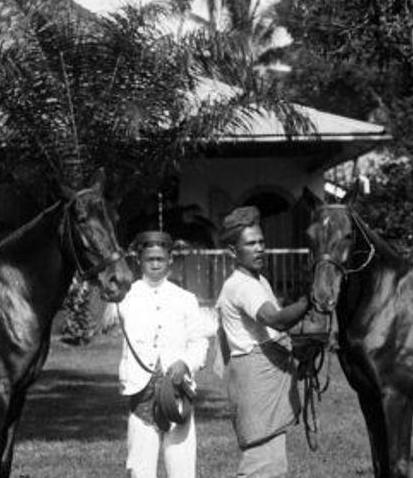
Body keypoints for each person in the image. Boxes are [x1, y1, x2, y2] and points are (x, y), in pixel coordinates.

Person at [215, 205, 312, 478]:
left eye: (261, 242)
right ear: (233, 252)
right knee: (261, 464)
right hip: (255, 384)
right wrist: (310, 300)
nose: (259, 248)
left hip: (264, 380)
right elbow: (277, 320)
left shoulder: (259, 280)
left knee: (273, 465)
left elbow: (275, 331)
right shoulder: (241, 286)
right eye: (251, 243)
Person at [116, 230, 211, 478]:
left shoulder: (185, 299)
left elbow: (199, 342)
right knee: (139, 470)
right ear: (139, 261)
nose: (155, 265)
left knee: (182, 469)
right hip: (140, 394)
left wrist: (186, 363)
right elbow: (100, 323)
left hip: (177, 395)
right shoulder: (125, 298)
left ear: (170, 260)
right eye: (150, 259)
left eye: (160, 259)